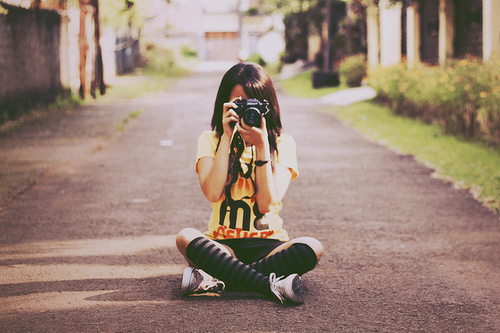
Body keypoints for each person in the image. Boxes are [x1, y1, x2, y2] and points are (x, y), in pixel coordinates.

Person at [176, 62, 323, 304]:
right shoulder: (210, 140)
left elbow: (266, 205)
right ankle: (270, 285)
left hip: (269, 246)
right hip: (223, 246)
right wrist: (226, 137)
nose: (247, 112)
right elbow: (213, 192)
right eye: (239, 104)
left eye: (254, 104)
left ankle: (219, 278)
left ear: (268, 106)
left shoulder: (283, 144)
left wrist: (263, 145)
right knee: (185, 237)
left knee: (313, 246)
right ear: (224, 104)